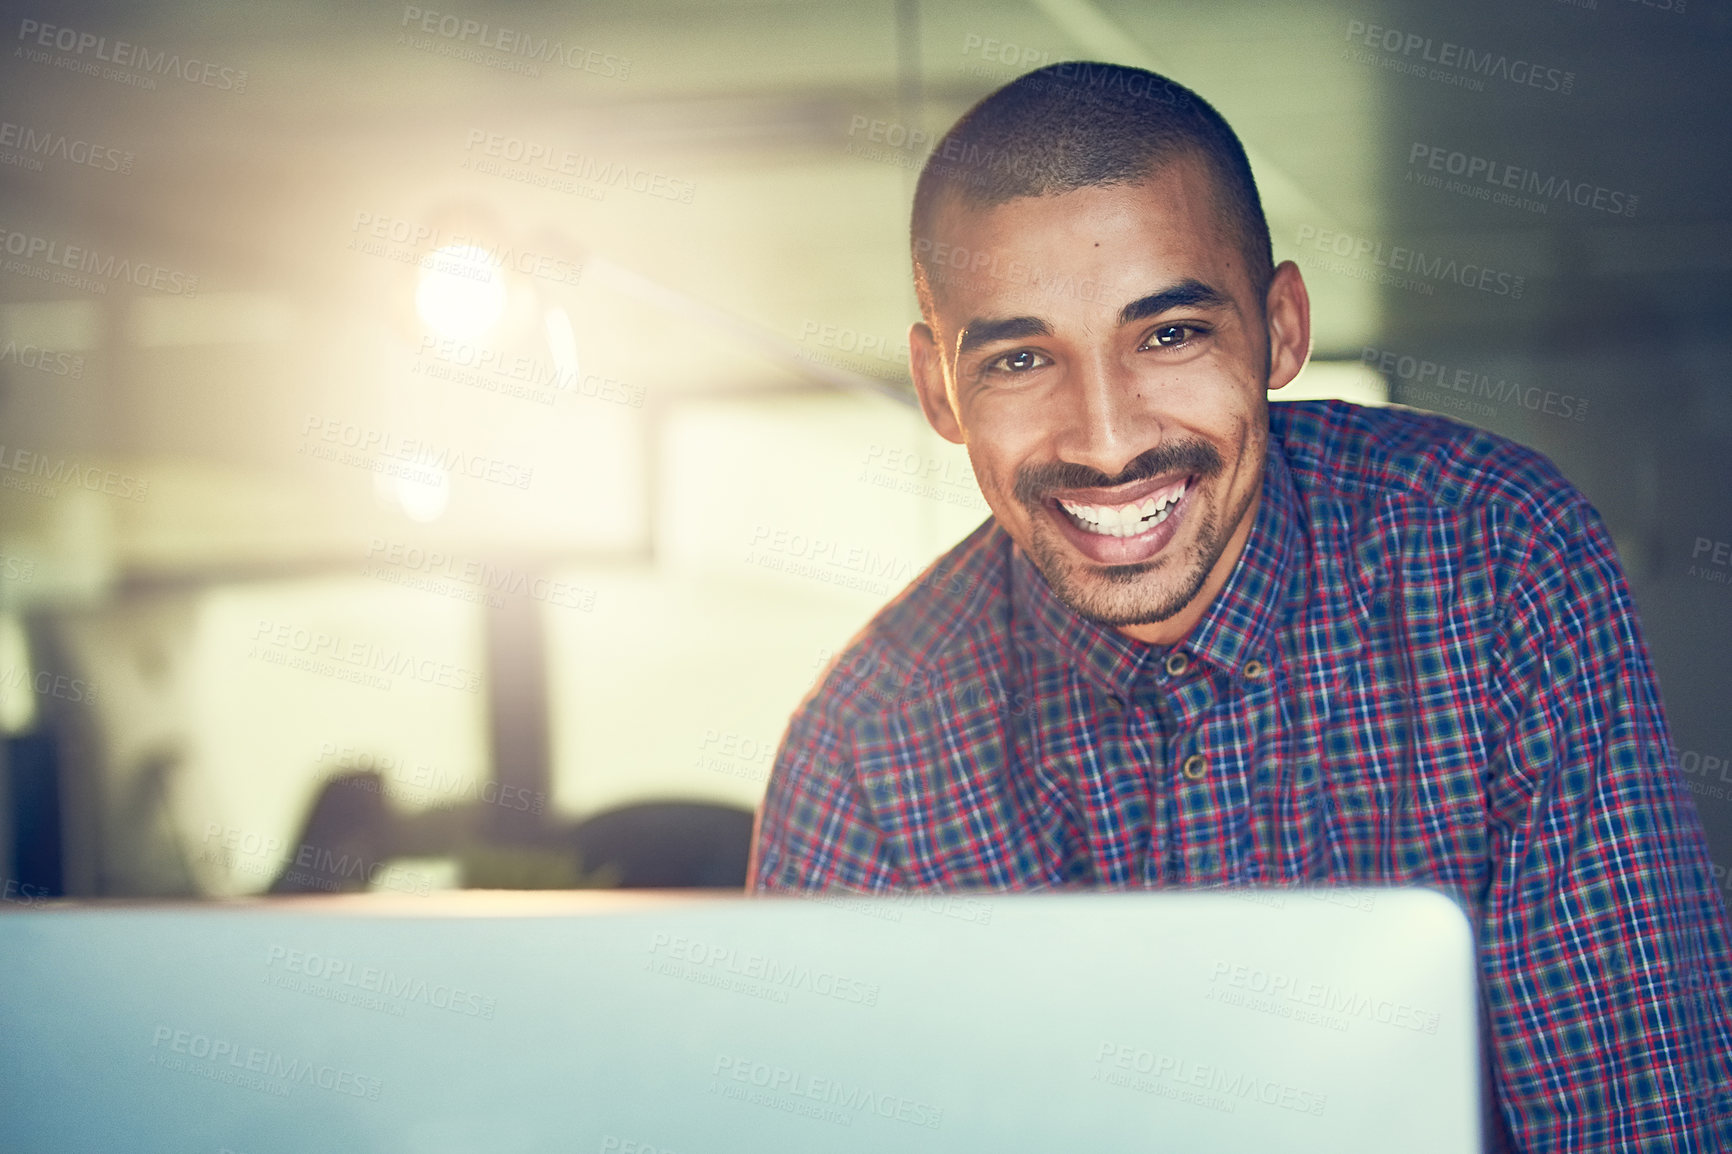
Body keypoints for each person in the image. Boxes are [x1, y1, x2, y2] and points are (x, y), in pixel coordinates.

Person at [746, 61, 1731, 1150]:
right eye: (1022, 358)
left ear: (1281, 329)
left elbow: (1643, 1114)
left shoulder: (1492, 562)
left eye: (1168, 334)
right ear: (940, 391)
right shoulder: (865, 744)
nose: (1108, 440)